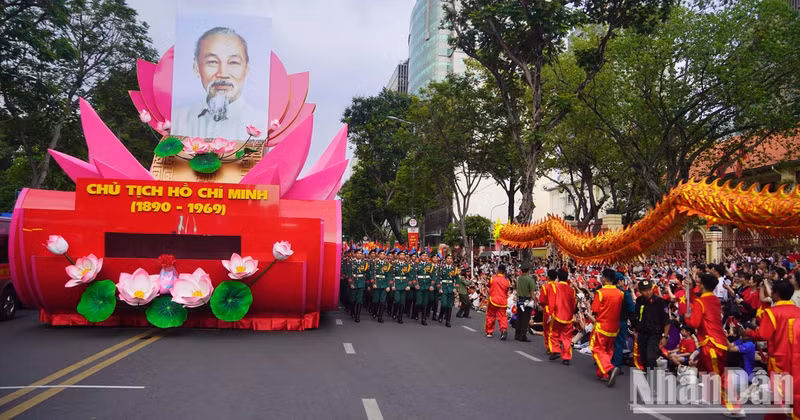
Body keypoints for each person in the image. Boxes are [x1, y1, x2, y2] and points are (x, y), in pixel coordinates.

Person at [172, 27, 267, 140]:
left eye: (233, 62)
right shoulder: (176, 121)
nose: (222, 73)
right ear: (197, 68)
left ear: (246, 70)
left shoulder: (263, 125)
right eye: (213, 62)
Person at [684, 273, 741, 417]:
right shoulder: (713, 299)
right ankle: (707, 396)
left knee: (718, 375)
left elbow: (694, 323)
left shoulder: (702, 301)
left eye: (698, 282)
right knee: (703, 367)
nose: (697, 283)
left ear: (702, 285)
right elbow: (697, 300)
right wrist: (690, 291)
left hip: (711, 342)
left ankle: (735, 406)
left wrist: (687, 316)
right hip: (714, 340)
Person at [746, 280, 800, 420]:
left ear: (776, 294)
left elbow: (763, 334)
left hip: (779, 358)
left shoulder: (771, 312)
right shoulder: (798, 311)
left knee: (779, 393)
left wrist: (748, 333)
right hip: (796, 357)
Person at [590, 268, 624, 387]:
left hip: (602, 325)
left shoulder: (600, 292)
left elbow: (595, 309)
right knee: (608, 350)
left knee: (597, 348)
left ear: (604, 278)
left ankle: (609, 369)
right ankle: (603, 374)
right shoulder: (621, 293)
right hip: (614, 327)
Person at [631, 279, 670, 373]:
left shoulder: (659, 302)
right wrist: (635, 331)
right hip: (642, 333)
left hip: (655, 334)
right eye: (644, 290)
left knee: (651, 357)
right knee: (644, 357)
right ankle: (649, 376)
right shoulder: (639, 301)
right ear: (640, 291)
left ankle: (654, 378)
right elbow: (635, 317)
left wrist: (665, 336)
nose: (648, 292)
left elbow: (666, 320)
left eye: (649, 289)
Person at [548, 269, 576, 365]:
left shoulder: (555, 287)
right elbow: (573, 304)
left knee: (554, 333)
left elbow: (552, 302)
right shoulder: (572, 290)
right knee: (567, 337)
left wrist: (550, 314)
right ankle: (566, 357)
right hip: (568, 316)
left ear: (558, 278)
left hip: (557, 315)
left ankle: (555, 350)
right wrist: (572, 313)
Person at [613, 272, 636, 370]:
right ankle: (615, 366)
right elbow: (631, 310)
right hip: (621, 322)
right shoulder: (625, 294)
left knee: (609, 343)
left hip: (607, 322)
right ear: (620, 281)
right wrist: (634, 326)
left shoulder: (605, 291)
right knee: (618, 344)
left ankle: (605, 364)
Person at [485, 264, 510, 340]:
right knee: (502, 317)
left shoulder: (493, 278)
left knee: (491, 315)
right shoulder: (507, 281)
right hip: (503, 301)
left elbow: (488, 285)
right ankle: (503, 329)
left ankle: (489, 332)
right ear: (504, 272)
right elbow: (507, 291)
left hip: (493, 300)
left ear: (498, 270)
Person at [514, 262, 536, 342]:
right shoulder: (530, 279)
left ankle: (517, 334)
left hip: (520, 300)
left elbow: (516, 289)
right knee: (525, 318)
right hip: (527, 301)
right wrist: (535, 302)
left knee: (519, 317)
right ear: (528, 270)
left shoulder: (518, 278)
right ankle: (523, 336)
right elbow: (532, 293)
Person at [348, 249, 371, 323]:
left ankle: (357, 316)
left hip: (361, 282)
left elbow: (367, 274)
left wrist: (367, 284)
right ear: (355, 254)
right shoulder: (351, 263)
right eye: (358, 253)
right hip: (354, 281)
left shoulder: (364, 263)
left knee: (359, 300)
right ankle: (352, 311)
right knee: (353, 299)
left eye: (361, 254)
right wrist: (351, 283)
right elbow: (349, 273)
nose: (359, 255)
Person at [371, 250, 392, 323]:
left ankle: (380, 316)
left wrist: (388, 286)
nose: (382, 255)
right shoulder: (374, 263)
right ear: (378, 255)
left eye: (384, 254)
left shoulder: (388, 264)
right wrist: (373, 283)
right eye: (381, 254)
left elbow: (389, 276)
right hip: (377, 283)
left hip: (384, 284)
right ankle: (374, 311)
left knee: (383, 301)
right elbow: (372, 274)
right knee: (376, 300)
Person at [540, 269, 558, 354]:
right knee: (556, 329)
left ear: (548, 277)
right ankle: (555, 346)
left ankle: (549, 347)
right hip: (558, 310)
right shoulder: (559, 286)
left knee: (547, 330)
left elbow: (542, 300)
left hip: (548, 310)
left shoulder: (545, 286)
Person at [391, 252, 413, 324]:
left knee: (402, 302)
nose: (402, 256)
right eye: (401, 255)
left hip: (404, 284)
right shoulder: (394, 264)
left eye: (403, 255)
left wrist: (408, 285)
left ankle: (400, 317)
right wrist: (392, 285)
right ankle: (394, 312)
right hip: (396, 284)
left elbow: (410, 276)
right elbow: (392, 275)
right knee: (397, 300)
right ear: (398, 256)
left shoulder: (408, 265)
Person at [414, 253, 435, 325]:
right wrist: (415, 284)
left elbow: (433, 276)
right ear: (420, 257)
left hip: (427, 286)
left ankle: (423, 319)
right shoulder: (417, 265)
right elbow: (414, 276)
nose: (424, 257)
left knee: (425, 303)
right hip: (420, 286)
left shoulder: (430, 265)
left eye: (426, 256)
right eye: (423, 256)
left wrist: (432, 285)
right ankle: (416, 312)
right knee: (419, 302)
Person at [438, 255, 458, 327]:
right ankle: (441, 315)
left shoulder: (454, 268)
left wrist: (456, 287)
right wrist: (439, 288)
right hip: (444, 287)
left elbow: (457, 279)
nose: (449, 260)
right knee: (444, 304)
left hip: (451, 287)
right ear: (445, 259)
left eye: (451, 258)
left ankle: (448, 321)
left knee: (449, 306)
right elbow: (438, 278)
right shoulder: (441, 268)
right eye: (448, 258)